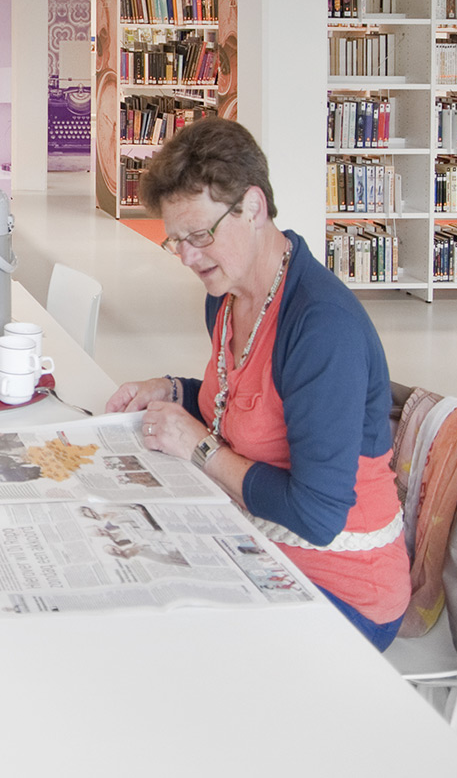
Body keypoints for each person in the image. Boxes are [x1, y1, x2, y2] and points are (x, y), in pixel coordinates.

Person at [107, 117, 409, 649]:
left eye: (199, 236)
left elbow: (317, 515)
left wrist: (200, 449)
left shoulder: (322, 328)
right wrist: (170, 390)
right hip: (257, 545)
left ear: (253, 207)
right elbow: (240, 400)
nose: (187, 257)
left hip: (341, 591)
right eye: (175, 241)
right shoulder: (227, 296)